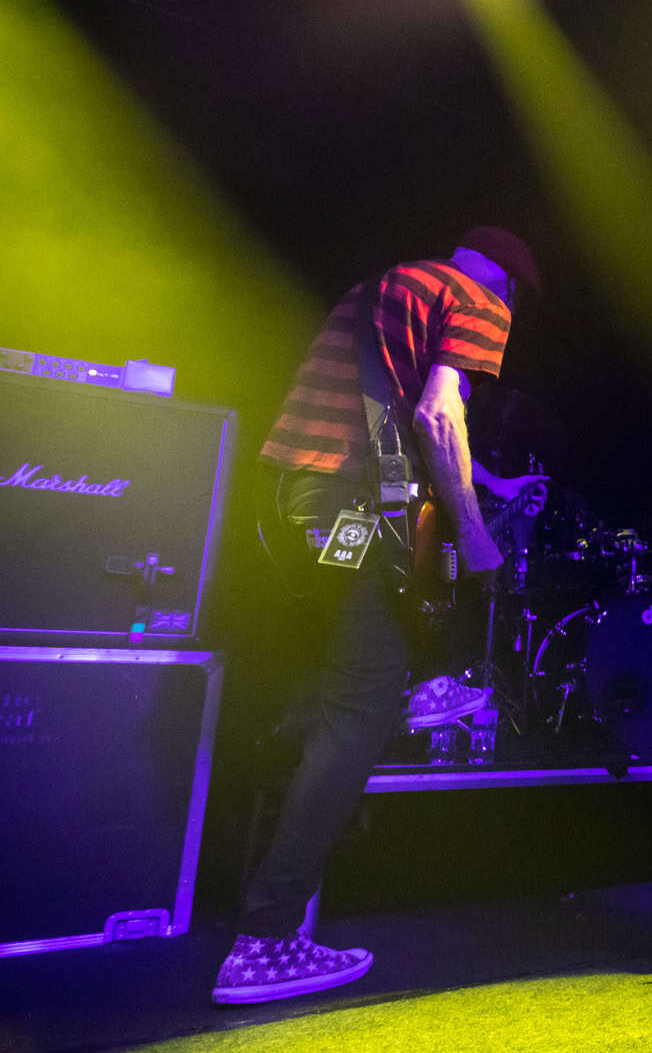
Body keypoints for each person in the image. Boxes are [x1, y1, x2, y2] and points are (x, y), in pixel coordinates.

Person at [213, 226, 542, 1005]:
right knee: (358, 711)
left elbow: (390, 419)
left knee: (344, 691)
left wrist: (489, 485)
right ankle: (263, 942)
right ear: (508, 289)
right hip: (352, 506)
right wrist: (478, 533)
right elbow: (438, 418)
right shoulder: (480, 302)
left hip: (302, 501)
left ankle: (420, 686)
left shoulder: (390, 287)